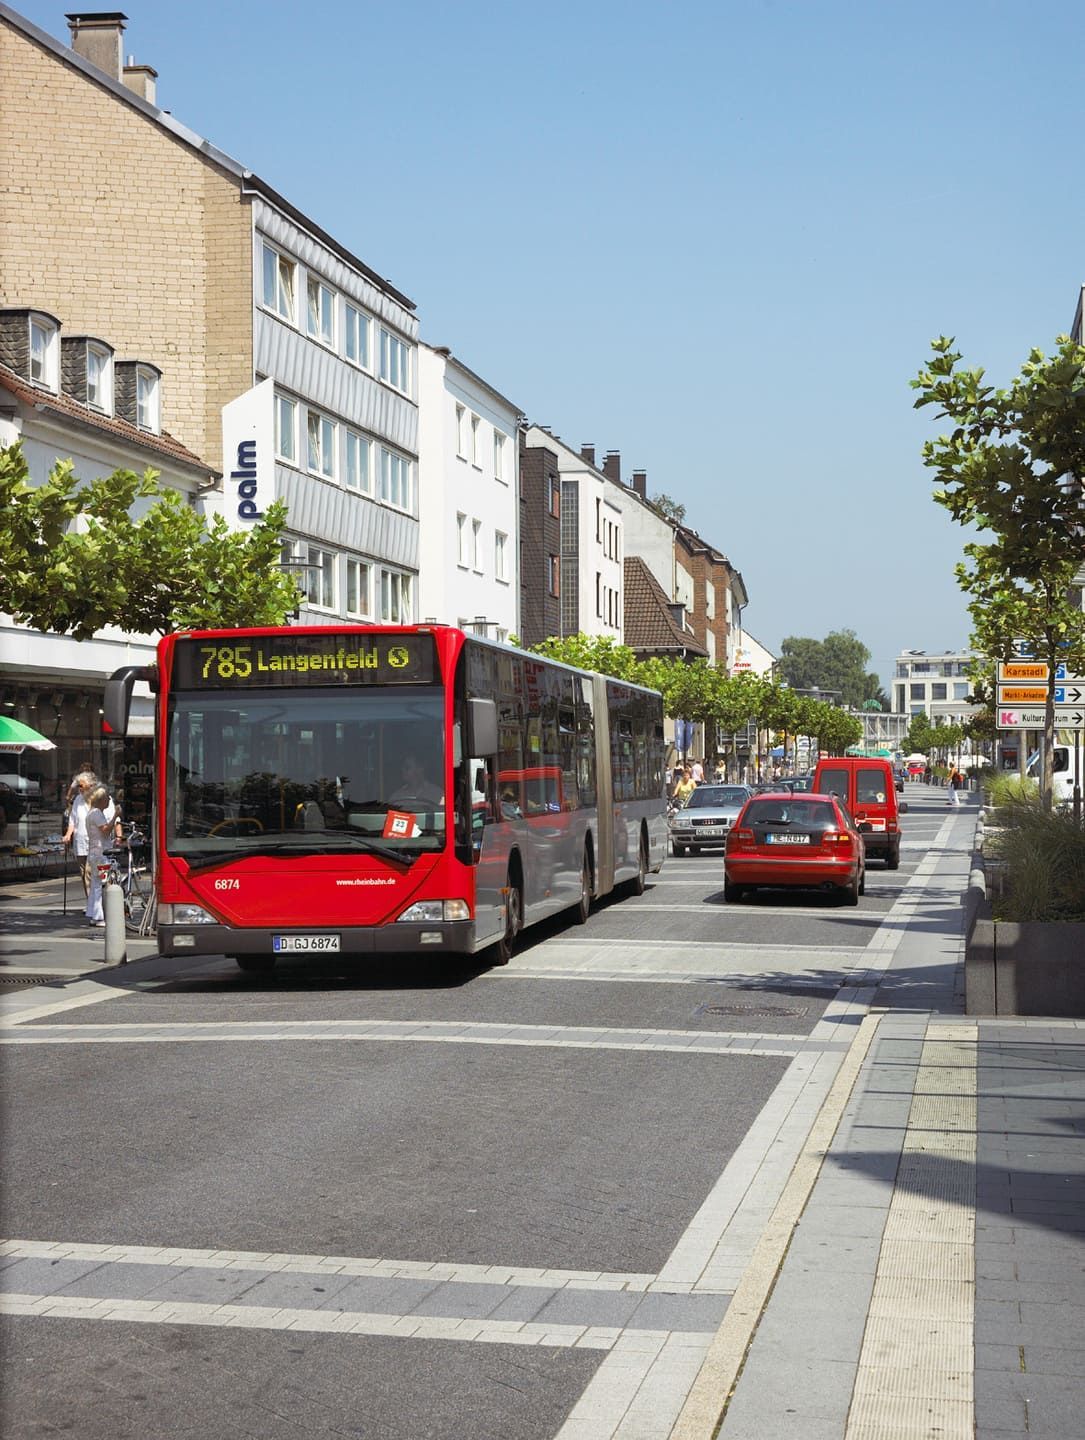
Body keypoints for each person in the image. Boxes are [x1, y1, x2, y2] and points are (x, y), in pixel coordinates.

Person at [63, 771, 114, 896]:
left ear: (91, 785)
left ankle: (103, 902)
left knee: (99, 874)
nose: (79, 789)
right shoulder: (78, 800)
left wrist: (118, 836)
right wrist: (68, 834)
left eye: (81, 786)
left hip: (98, 844)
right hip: (81, 842)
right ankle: (91, 903)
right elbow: (72, 820)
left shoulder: (104, 797)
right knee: (85, 875)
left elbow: (113, 820)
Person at [84, 784, 118, 926]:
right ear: (101, 799)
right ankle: (99, 916)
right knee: (102, 884)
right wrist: (116, 815)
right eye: (107, 797)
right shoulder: (97, 813)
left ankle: (94, 914)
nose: (110, 800)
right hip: (100, 854)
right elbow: (105, 830)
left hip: (94, 852)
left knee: (96, 884)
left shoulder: (92, 813)